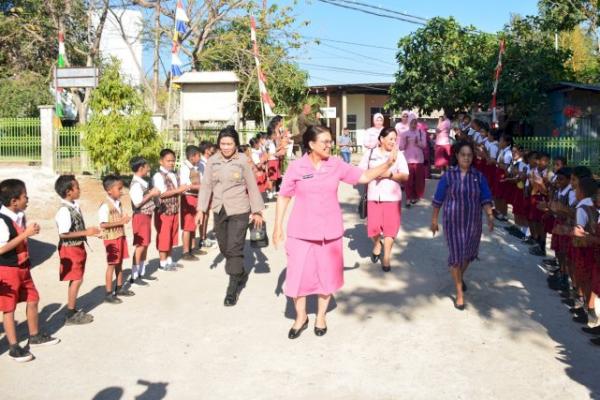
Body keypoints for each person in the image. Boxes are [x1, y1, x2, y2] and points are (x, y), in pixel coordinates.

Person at [272, 125, 400, 339]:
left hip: (329, 233)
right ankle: (300, 317)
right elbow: (284, 195)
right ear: (311, 144)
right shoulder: (297, 167)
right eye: (325, 142)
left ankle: (321, 316)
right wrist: (277, 225)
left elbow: (364, 177)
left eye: (330, 141)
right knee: (297, 277)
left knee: (327, 276)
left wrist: (388, 163)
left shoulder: (336, 165)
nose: (330, 145)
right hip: (300, 232)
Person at [196, 127, 265, 307]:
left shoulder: (243, 161)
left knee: (234, 249)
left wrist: (257, 211)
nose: (226, 147)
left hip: (239, 210)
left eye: (229, 144)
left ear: (235, 144)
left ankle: (232, 288)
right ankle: (240, 272)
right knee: (224, 247)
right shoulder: (212, 162)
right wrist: (200, 209)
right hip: (219, 209)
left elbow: (252, 186)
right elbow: (206, 187)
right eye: (223, 144)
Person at [0, 179, 60, 362]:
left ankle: (34, 336)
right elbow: (1, 249)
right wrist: (25, 234)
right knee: (9, 309)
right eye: (25, 196)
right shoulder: (2, 221)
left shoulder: (20, 215)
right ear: (14, 201)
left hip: (24, 266)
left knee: (33, 298)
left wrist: (28, 231)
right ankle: (14, 347)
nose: (28, 199)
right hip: (8, 269)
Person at [431, 141, 494, 310]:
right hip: (453, 222)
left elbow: (486, 198)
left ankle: (458, 275)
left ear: (472, 157)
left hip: (473, 223)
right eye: (463, 155)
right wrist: (434, 220)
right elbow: (438, 199)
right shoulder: (448, 176)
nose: (466, 158)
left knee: (468, 254)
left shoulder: (479, 177)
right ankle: (459, 293)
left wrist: (489, 215)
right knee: (456, 256)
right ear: (457, 156)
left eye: (469, 155)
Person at [359, 127, 409, 272]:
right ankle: (377, 245)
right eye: (390, 139)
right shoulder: (370, 154)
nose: (393, 142)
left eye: (395, 139)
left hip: (392, 197)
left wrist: (389, 175)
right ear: (381, 139)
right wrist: (374, 173)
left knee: (390, 229)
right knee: (372, 228)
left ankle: (386, 257)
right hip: (373, 196)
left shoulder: (398, 155)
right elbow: (361, 171)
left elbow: (405, 176)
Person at [54, 175, 100, 324]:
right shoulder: (64, 211)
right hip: (70, 249)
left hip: (77, 246)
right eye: (77, 187)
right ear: (68, 191)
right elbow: (64, 233)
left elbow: (76, 227)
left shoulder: (74, 205)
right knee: (76, 279)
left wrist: (89, 233)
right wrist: (86, 233)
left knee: (77, 278)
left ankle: (72, 309)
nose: (79, 190)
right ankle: (70, 313)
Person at [99, 175, 134, 304]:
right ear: (109, 190)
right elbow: (102, 224)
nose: (121, 191)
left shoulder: (117, 202)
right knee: (112, 265)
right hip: (111, 239)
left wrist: (122, 220)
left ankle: (119, 288)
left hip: (120, 236)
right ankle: (108, 293)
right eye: (119, 189)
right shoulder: (105, 206)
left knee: (119, 263)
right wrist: (121, 221)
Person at [153, 149, 189, 271]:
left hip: (174, 209)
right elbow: (161, 194)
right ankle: (162, 263)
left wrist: (182, 189)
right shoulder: (158, 175)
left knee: (172, 234)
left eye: (173, 160)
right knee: (164, 236)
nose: (171, 163)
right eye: (168, 161)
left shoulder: (173, 174)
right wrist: (179, 190)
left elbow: (176, 189)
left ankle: (169, 259)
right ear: (161, 161)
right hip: (163, 211)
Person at [129, 157, 160, 285]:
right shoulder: (136, 184)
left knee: (145, 244)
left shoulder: (142, 182)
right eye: (147, 167)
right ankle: (134, 275)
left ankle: (142, 272)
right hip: (140, 216)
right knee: (140, 245)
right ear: (141, 168)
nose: (148, 169)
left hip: (146, 216)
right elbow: (137, 203)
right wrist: (151, 194)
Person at [180, 145, 204, 260]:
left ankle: (193, 247)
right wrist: (202, 186)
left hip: (196, 196)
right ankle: (185, 251)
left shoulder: (197, 166)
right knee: (187, 225)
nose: (200, 158)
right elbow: (186, 186)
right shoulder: (185, 168)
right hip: (188, 197)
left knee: (194, 223)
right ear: (192, 157)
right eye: (198, 155)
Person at [399, 118, 426, 207]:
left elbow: (424, 145)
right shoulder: (404, 134)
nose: (414, 125)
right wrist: (406, 143)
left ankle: (416, 196)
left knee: (418, 180)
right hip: (408, 159)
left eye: (415, 123)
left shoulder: (421, 133)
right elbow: (401, 147)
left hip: (419, 159)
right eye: (412, 123)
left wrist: (418, 142)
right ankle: (408, 198)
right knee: (408, 180)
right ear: (409, 123)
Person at [197, 141, 216, 249]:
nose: (212, 151)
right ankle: (202, 238)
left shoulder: (208, 161)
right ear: (207, 150)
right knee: (203, 214)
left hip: (210, 190)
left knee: (207, 214)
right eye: (211, 149)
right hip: (204, 191)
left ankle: (204, 237)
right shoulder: (201, 163)